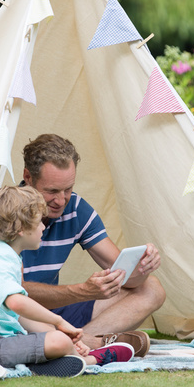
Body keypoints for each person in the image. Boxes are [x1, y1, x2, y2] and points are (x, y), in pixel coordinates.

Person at [20, 134, 166, 355]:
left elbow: (124, 277)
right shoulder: (7, 211)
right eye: (51, 191)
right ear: (28, 177)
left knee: (151, 288)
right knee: (19, 311)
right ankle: (80, 343)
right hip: (17, 316)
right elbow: (14, 293)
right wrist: (81, 292)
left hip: (55, 315)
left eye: (68, 189)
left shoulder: (76, 208)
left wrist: (141, 266)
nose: (61, 201)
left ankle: (80, 343)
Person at [0, 185, 135, 378]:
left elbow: (20, 316)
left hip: (9, 340)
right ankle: (92, 360)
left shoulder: (8, 255)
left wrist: (63, 333)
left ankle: (56, 360)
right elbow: (16, 302)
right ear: (21, 229)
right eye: (39, 221)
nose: (43, 227)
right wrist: (58, 321)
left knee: (60, 339)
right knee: (59, 342)